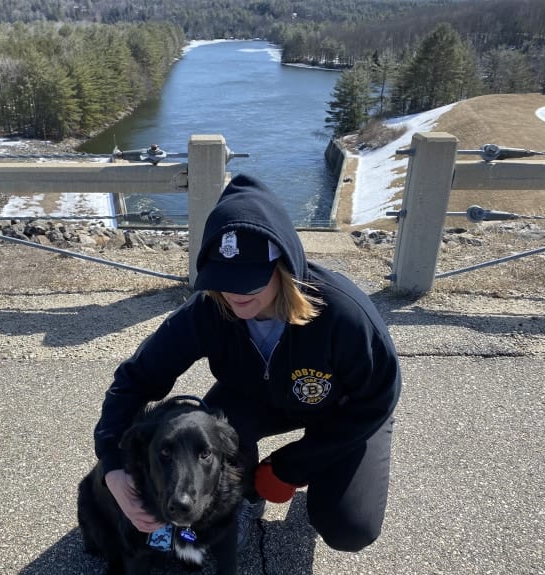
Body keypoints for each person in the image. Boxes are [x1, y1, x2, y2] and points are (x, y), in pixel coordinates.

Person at [93, 173, 402, 553]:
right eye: (223, 278)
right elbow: (134, 380)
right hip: (253, 398)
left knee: (349, 528)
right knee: (208, 431)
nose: (235, 293)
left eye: (250, 280)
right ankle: (243, 495)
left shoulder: (343, 314)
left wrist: (292, 465)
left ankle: (320, 479)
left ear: (283, 265)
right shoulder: (208, 310)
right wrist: (113, 466)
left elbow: (379, 397)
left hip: (343, 409)